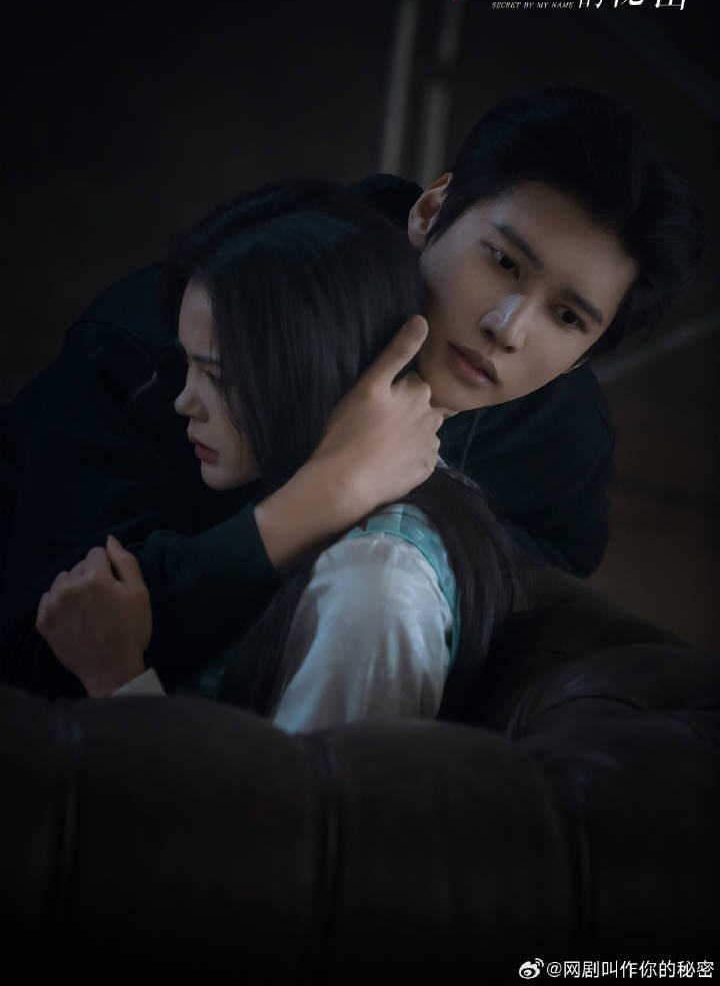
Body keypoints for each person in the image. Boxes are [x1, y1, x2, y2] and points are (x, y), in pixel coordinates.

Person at [0, 85, 706, 699]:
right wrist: (323, 495)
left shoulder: (560, 441)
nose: (508, 328)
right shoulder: (172, 343)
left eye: (568, 317)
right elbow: (47, 645)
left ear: (587, 354)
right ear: (430, 211)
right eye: (502, 261)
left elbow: (529, 613)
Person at [36, 183, 522, 730]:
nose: (182, 402)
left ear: (316, 371)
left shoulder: (375, 585)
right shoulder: (348, 510)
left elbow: (299, 789)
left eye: (219, 376)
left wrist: (117, 679)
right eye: (188, 366)